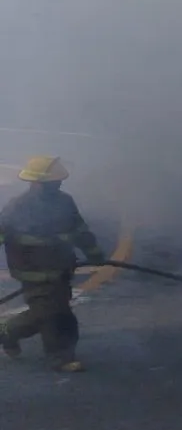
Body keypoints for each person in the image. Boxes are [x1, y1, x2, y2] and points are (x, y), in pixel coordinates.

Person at [0, 156, 106, 372]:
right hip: (32, 273)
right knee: (50, 314)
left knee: (59, 312)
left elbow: (80, 230)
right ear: (36, 183)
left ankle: (8, 332)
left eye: (58, 182)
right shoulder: (18, 207)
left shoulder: (65, 201)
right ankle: (59, 357)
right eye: (51, 183)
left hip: (61, 270)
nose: (56, 186)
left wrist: (94, 253)